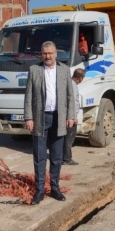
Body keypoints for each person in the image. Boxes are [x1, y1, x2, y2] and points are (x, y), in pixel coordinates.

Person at [24, 41, 76, 205]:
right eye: (44, 53)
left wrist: (70, 115)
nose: (47, 56)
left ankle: (55, 188)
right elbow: (28, 96)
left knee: (56, 156)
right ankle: (39, 191)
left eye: (50, 53)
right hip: (40, 118)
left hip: (58, 118)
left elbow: (70, 95)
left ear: (56, 54)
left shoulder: (64, 70)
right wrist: (28, 117)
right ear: (41, 54)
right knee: (39, 157)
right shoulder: (34, 70)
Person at [63, 68, 85, 166]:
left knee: (63, 137)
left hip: (65, 115)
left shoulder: (66, 82)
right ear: (80, 78)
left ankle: (62, 157)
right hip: (70, 116)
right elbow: (73, 102)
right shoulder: (73, 85)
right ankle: (67, 159)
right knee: (69, 138)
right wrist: (73, 116)